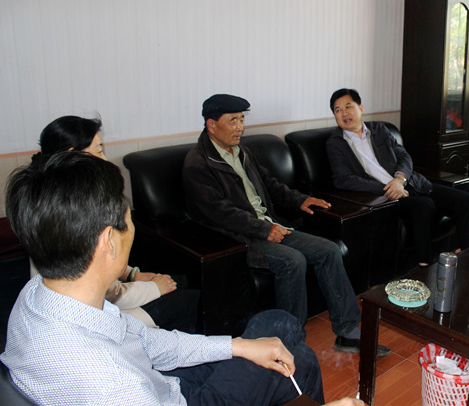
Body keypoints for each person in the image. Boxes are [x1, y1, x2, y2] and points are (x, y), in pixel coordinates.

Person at [1, 151, 364, 406]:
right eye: (128, 220)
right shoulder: (114, 384)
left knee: (277, 325)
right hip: (182, 398)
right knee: (298, 354)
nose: (132, 229)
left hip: (163, 382)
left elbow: (147, 342)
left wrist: (237, 346)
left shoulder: (36, 296)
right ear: (108, 241)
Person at [182, 94, 390, 356]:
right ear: (212, 125)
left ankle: (347, 331)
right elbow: (220, 213)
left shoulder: (240, 150)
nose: (240, 127)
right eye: (233, 121)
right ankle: (289, 343)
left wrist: (300, 200)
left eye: (242, 120)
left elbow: (270, 183)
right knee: (293, 261)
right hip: (239, 238)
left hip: (269, 225)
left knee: (329, 250)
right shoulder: (198, 163)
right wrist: (263, 229)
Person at [34, 115, 200, 332]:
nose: (105, 160)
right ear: (73, 155)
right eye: (99, 151)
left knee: (180, 281)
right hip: (94, 315)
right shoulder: (74, 211)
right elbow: (107, 292)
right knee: (188, 300)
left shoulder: (51, 193)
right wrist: (154, 288)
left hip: (95, 297)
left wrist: (133, 275)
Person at [325, 88, 469, 267]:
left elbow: (404, 156)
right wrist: (388, 188)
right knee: (424, 206)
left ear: (361, 108)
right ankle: (424, 266)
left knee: (464, 200)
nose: (344, 113)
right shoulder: (335, 143)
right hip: (385, 195)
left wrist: (400, 179)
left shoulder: (379, 129)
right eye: (337, 110)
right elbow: (343, 179)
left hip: (412, 183)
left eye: (348, 106)